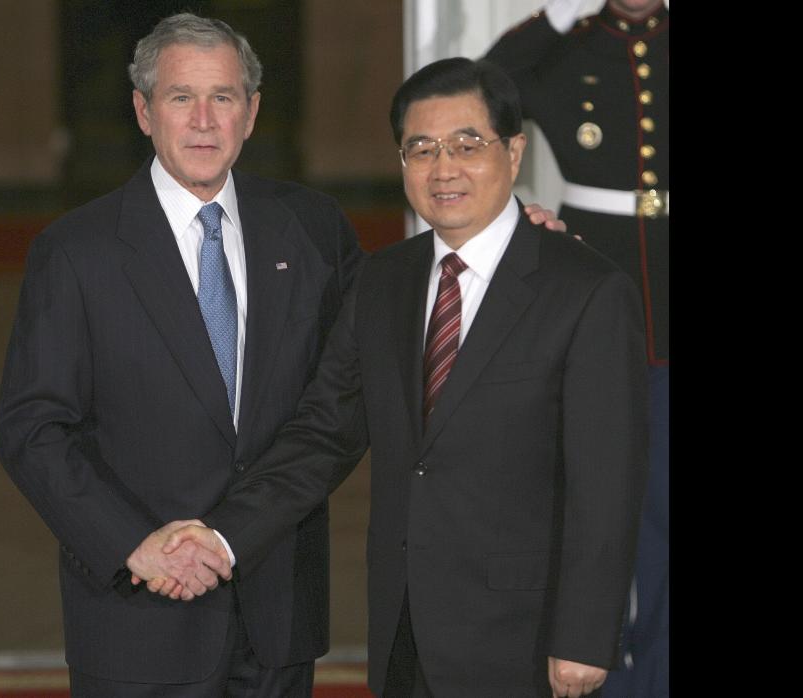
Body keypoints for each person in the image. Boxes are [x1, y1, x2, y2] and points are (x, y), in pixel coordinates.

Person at [0, 12, 567, 697]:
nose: (204, 121)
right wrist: (134, 546)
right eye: (182, 98)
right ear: (145, 111)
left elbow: (398, 319)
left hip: (277, 617)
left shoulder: (313, 228)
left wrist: (498, 242)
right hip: (138, 617)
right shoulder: (76, 252)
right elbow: (31, 428)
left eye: (225, 97)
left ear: (253, 111)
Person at [159, 57, 649, 698]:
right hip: (404, 631)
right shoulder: (381, 281)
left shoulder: (586, 291)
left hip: (527, 640)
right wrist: (222, 538)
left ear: (515, 151)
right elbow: (323, 435)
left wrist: (583, 638)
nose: (444, 168)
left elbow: (606, 486)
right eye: (421, 149)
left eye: (468, 145)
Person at [485, 3, 668, 695]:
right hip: (593, 275)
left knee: (664, 515)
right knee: (589, 503)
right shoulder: (566, 46)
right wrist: (557, 16)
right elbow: (484, 90)